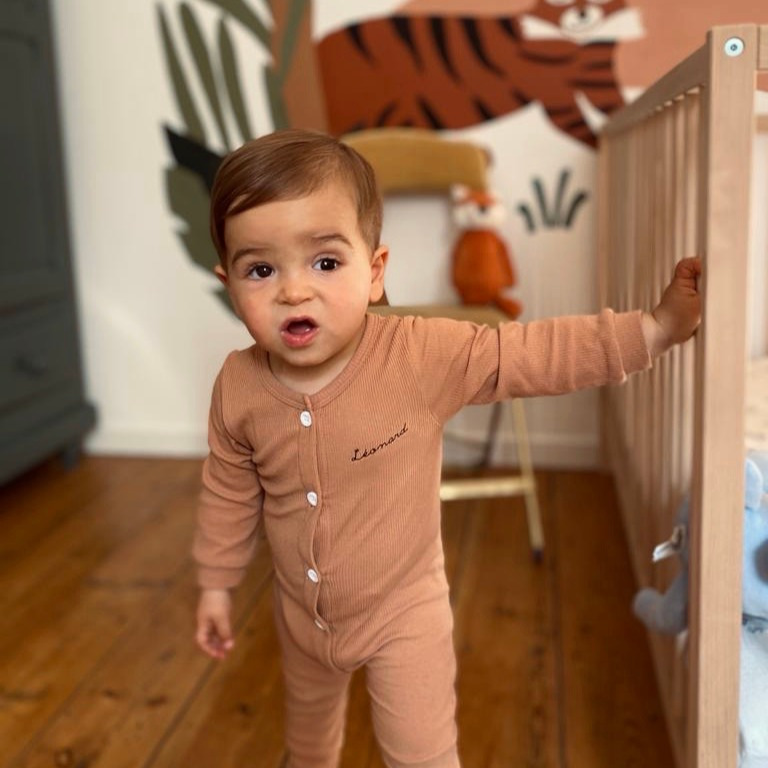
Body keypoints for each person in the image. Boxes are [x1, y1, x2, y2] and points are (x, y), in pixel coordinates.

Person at [193, 128, 701, 768]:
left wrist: (655, 329)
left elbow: (533, 354)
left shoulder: (417, 355)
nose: (294, 291)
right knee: (308, 742)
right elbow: (229, 490)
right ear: (230, 283)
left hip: (403, 611)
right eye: (262, 270)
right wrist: (216, 585)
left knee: (422, 754)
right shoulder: (238, 385)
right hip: (300, 613)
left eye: (325, 263)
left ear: (375, 271)